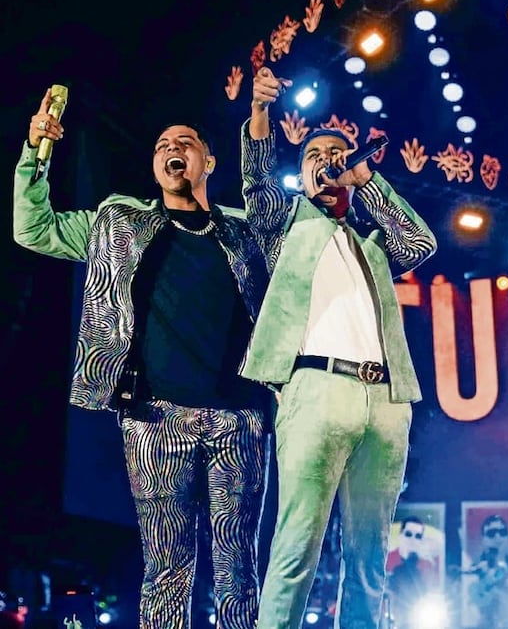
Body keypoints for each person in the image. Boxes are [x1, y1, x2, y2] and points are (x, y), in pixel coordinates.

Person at [13, 89, 273, 628]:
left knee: (238, 569)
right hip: (156, 422)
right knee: (167, 568)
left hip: (239, 418)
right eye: (162, 145)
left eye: (185, 142)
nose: (171, 149)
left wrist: (261, 127)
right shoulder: (119, 222)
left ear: (209, 161)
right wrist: (36, 152)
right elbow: (32, 229)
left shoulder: (245, 231)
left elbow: (274, 210)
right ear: (156, 164)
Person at [240, 67, 437, 629]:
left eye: (337, 155)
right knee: (298, 543)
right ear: (299, 175)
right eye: (314, 156)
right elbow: (256, 183)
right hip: (315, 387)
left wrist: (367, 179)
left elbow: (420, 242)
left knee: (370, 554)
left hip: (386, 399)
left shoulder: (374, 244)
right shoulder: (284, 223)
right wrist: (259, 115)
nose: (327, 161)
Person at [465, 515, 508, 628]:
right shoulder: (473, 570)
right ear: (483, 539)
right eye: (491, 533)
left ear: (507, 537)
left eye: (502, 532)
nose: (497, 537)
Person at [385, 516, 440, 622]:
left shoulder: (427, 566)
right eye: (408, 534)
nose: (413, 540)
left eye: (418, 536)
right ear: (400, 535)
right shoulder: (386, 561)